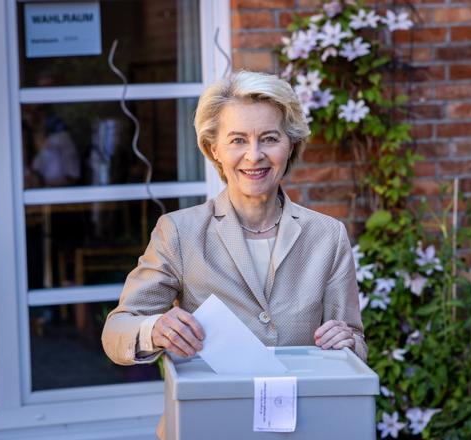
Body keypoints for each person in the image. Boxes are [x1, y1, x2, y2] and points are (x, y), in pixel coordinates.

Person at [101, 71, 367, 367]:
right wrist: (154, 330)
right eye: (238, 140)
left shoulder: (328, 235)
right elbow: (116, 331)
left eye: (269, 138)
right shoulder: (180, 232)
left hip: (298, 408)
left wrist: (348, 342)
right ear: (214, 150)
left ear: (290, 145)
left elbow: (353, 343)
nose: (254, 156)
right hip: (214, 409)